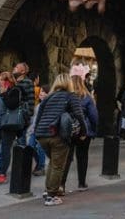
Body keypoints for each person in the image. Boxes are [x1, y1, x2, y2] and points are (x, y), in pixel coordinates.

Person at [34, 73, 86, 206]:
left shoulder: (48, 97)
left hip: (42, 135)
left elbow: (39, 116)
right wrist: (83, 131)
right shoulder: (71, 96)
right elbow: (79, 115)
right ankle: (51, 196)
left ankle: (48, 190)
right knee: (58, 166)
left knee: (53, 162)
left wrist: (36, 132)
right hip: (58, 134)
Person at [62, 75, 98, 191]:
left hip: (68, 129)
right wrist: (93, 129)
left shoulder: (66, 97)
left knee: (67, 157)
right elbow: (94, 116)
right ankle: (81, 183)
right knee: (82, 157)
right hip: (83, 130)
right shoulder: (87, 98)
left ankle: (62, 184)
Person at [28, 85, 49, 176]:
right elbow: (34, 119)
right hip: (34, 130)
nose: (41, 93)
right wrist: (31, 129)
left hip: (43, 130)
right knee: (30, 146)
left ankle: (41, 167)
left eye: (43, 92)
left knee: (40, 148)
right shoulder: (38, 105)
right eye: (40, 91)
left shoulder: (48, 105)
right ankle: (38, 164)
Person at [13, 62, 35, 145]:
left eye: (17, 67)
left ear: (23, 71)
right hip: (12, 115)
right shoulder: (13, 81)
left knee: (21, 141)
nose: (14, 68)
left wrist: (27, 116)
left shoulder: (28, 82)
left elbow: (31, 100)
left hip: (22, 116)